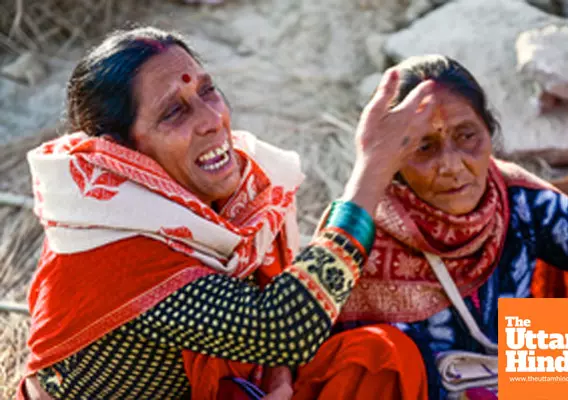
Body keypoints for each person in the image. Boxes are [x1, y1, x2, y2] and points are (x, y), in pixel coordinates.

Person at [18, 27, 433, 400]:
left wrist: (278, 377)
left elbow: (279, 334)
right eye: (174, 111)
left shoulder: (498, 218)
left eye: (464, 136)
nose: (214, 118)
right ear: (122, 154)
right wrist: (372, 173)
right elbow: (281, 327)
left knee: (382, 357)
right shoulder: (115, 247)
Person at [329, 55, 568, 400]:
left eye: (466, 136)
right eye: (424, 147)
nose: (452, 165)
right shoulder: (359, 231)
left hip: (519, 371)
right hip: (424, 390)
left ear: (489, 131)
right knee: (374, 353)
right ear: (391, 162)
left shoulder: (514, 197)